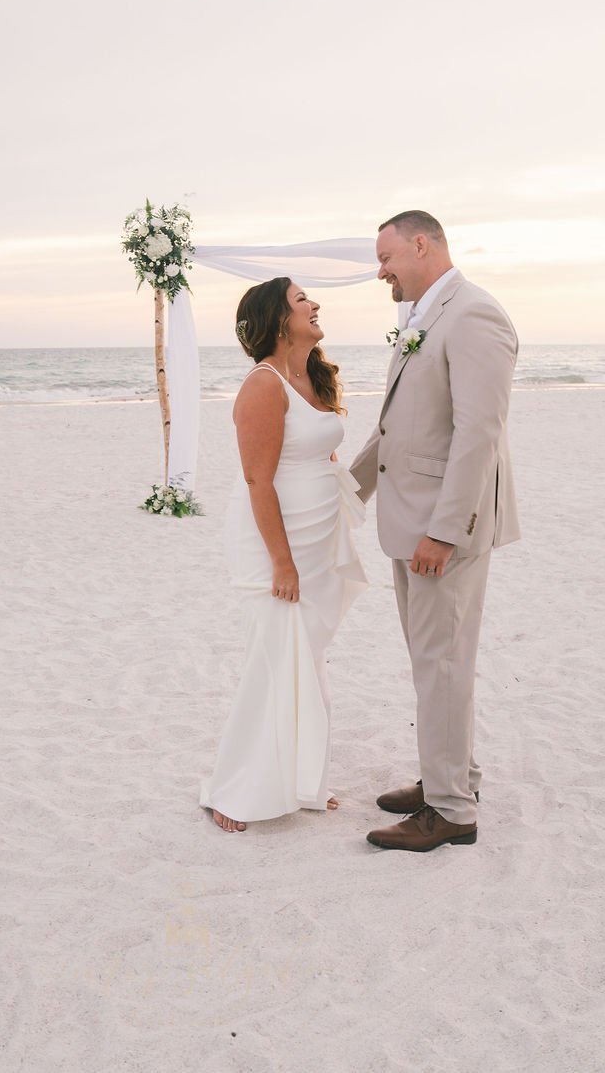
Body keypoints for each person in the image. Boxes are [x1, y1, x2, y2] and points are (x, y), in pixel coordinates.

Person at [351, 211, 519, 852]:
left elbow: (480, 434)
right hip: (409, 519)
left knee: (441, 664)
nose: (381, 269)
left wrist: (445, 532)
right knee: (437, 663)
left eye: (387, 255)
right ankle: (451, 779)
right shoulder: (423, 316)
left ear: (422, 244)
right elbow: (395, 427)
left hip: (440, 531)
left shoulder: (473, 314)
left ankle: (450, 812)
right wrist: (345, 495)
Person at [200, 278, 367, 833]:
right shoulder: (263, 385)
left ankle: (301, 779)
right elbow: (257, 480)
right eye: (302, 300)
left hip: (317, 537)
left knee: (306, 657)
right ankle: (234, 788)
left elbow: (319, 451)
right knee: (274, 656)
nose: (315, 304)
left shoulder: (308, 377)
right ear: (277, 319)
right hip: (276, 542)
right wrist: (283, 563)